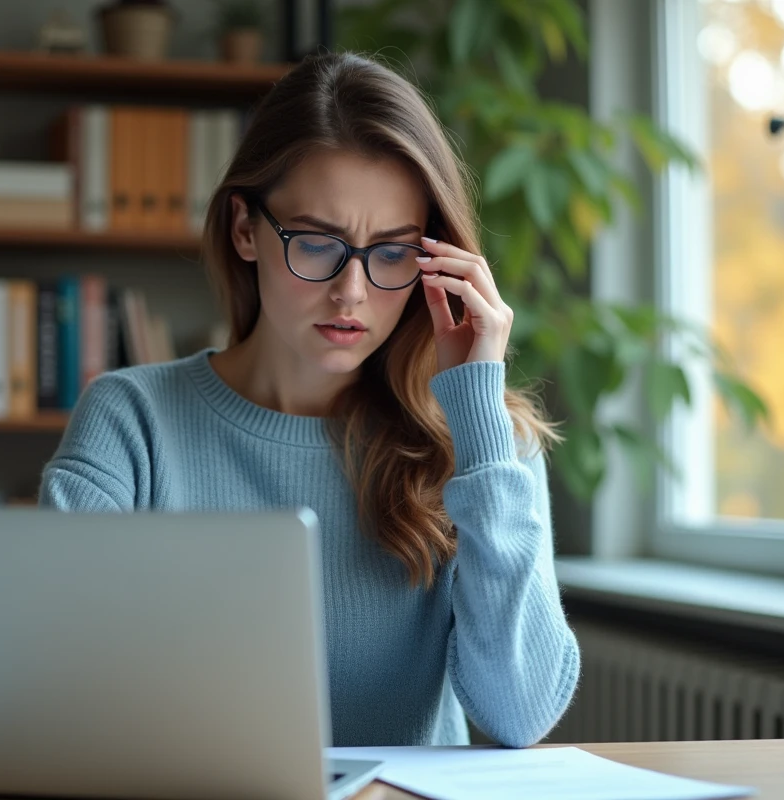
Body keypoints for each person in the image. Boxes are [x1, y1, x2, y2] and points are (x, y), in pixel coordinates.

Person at [39, 51, 579, 748]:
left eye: (393, 252)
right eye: (318, 243)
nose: (351, 291)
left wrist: (475, 414)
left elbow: (521, 713)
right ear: (245, 229)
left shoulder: (479, 442)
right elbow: (53, 674)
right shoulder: (131, 419)